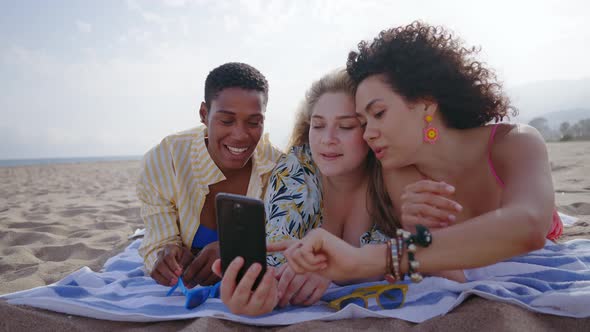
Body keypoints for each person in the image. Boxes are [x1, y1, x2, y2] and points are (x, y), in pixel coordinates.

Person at [270, 21, 563, 284]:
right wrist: (417, 232)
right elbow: (448, 272)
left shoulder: (517, 142)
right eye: (362, 122)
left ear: (426, 104)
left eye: (379, 113)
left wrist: (368, 259)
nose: (368, 132)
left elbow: (528, 226)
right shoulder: (398, 172)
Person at [211, 69, 409, 316]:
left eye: (346, 126)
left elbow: (422, 256)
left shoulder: (394, 175)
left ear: (371, 130)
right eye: (318, 125)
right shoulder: (296, 169)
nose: (327, 139)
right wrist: (253, 295)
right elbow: (275, 259)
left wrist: (331, 268)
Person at [137, 62, 282, 288]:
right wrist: (165, 257)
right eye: (226, 121)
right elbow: (158, 241)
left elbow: (290, 241)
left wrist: (239, 252)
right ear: (204, 114)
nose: (240, 135)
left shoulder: (279, 170)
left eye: (254, 122)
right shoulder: (167, 159)